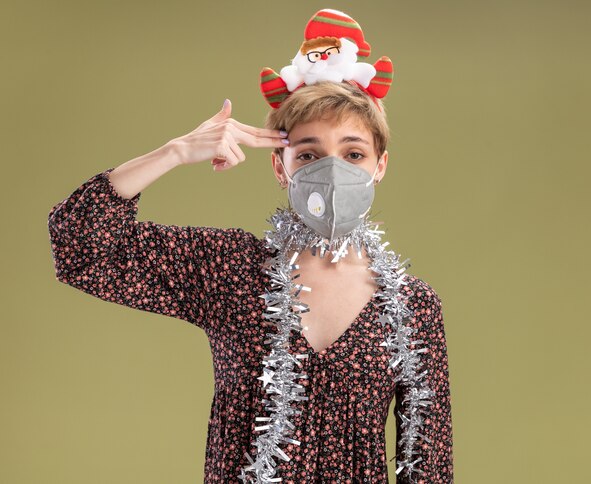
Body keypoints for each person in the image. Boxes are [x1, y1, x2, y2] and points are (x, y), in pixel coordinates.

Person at [48, 9, 452, 484]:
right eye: (308, 154)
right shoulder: (232, 269)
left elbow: (429, 467)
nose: (332, 170)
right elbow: (79, 246)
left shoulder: (411, 307)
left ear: (380, 166)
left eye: (353, 153)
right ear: (281, 168)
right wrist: (176, 151)